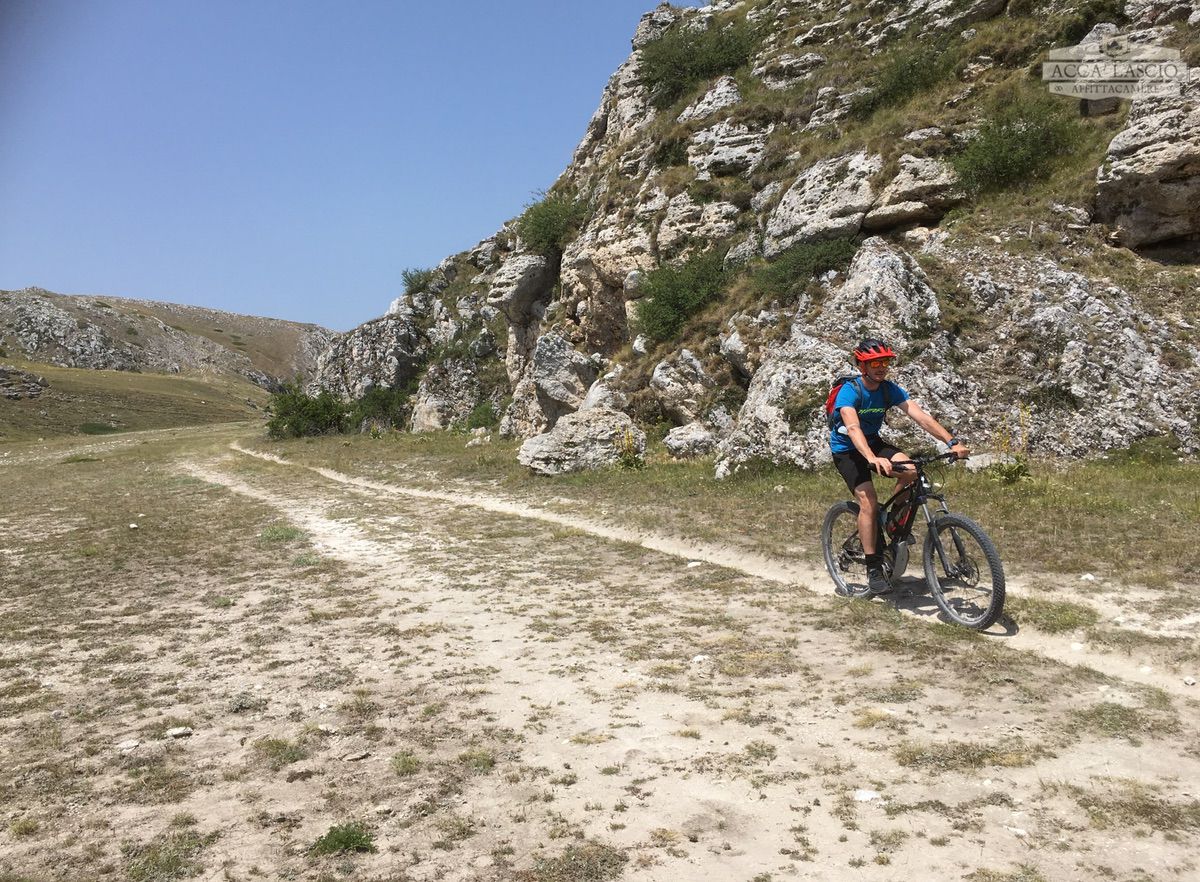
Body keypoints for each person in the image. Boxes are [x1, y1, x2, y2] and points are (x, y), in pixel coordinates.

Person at [829, 339, 970, 595]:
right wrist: (871, 458)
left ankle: (893, 522)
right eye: (874, 363)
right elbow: (852, 427)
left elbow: (921, 417)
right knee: (868, 502)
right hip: (847, 450)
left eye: (884, 362)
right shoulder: (850, 391)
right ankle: (873, 569)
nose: (881, 367)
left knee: (912, 470)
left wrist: (952, 441)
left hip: (872, 443)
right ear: (862, 365)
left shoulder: (888, 389)